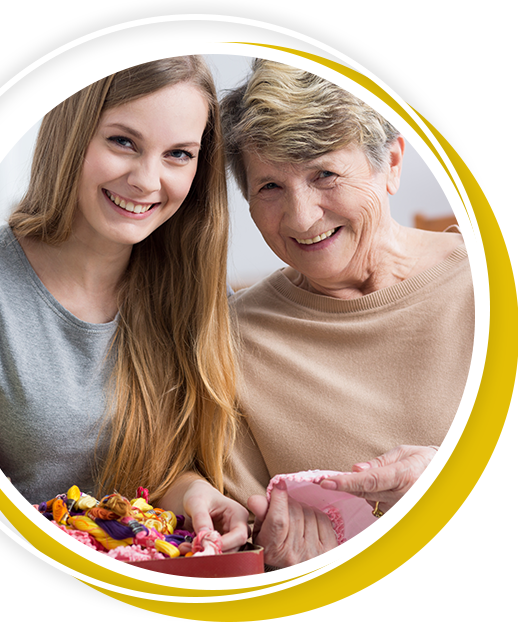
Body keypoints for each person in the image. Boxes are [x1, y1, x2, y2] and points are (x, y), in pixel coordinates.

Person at [0, 56, 248, 551]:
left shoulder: (197, 291)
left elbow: (148, 481)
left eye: (178, 154)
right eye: (123, 142)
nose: (147, 181)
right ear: (72, 134)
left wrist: (195, 492)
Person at [219, 59, 474, 567]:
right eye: (270, 186)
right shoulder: (231, 340)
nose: (303, 216)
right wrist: (273, 561)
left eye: (325, 174)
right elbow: (240, 537)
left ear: (393, 164)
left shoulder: (485, 285)